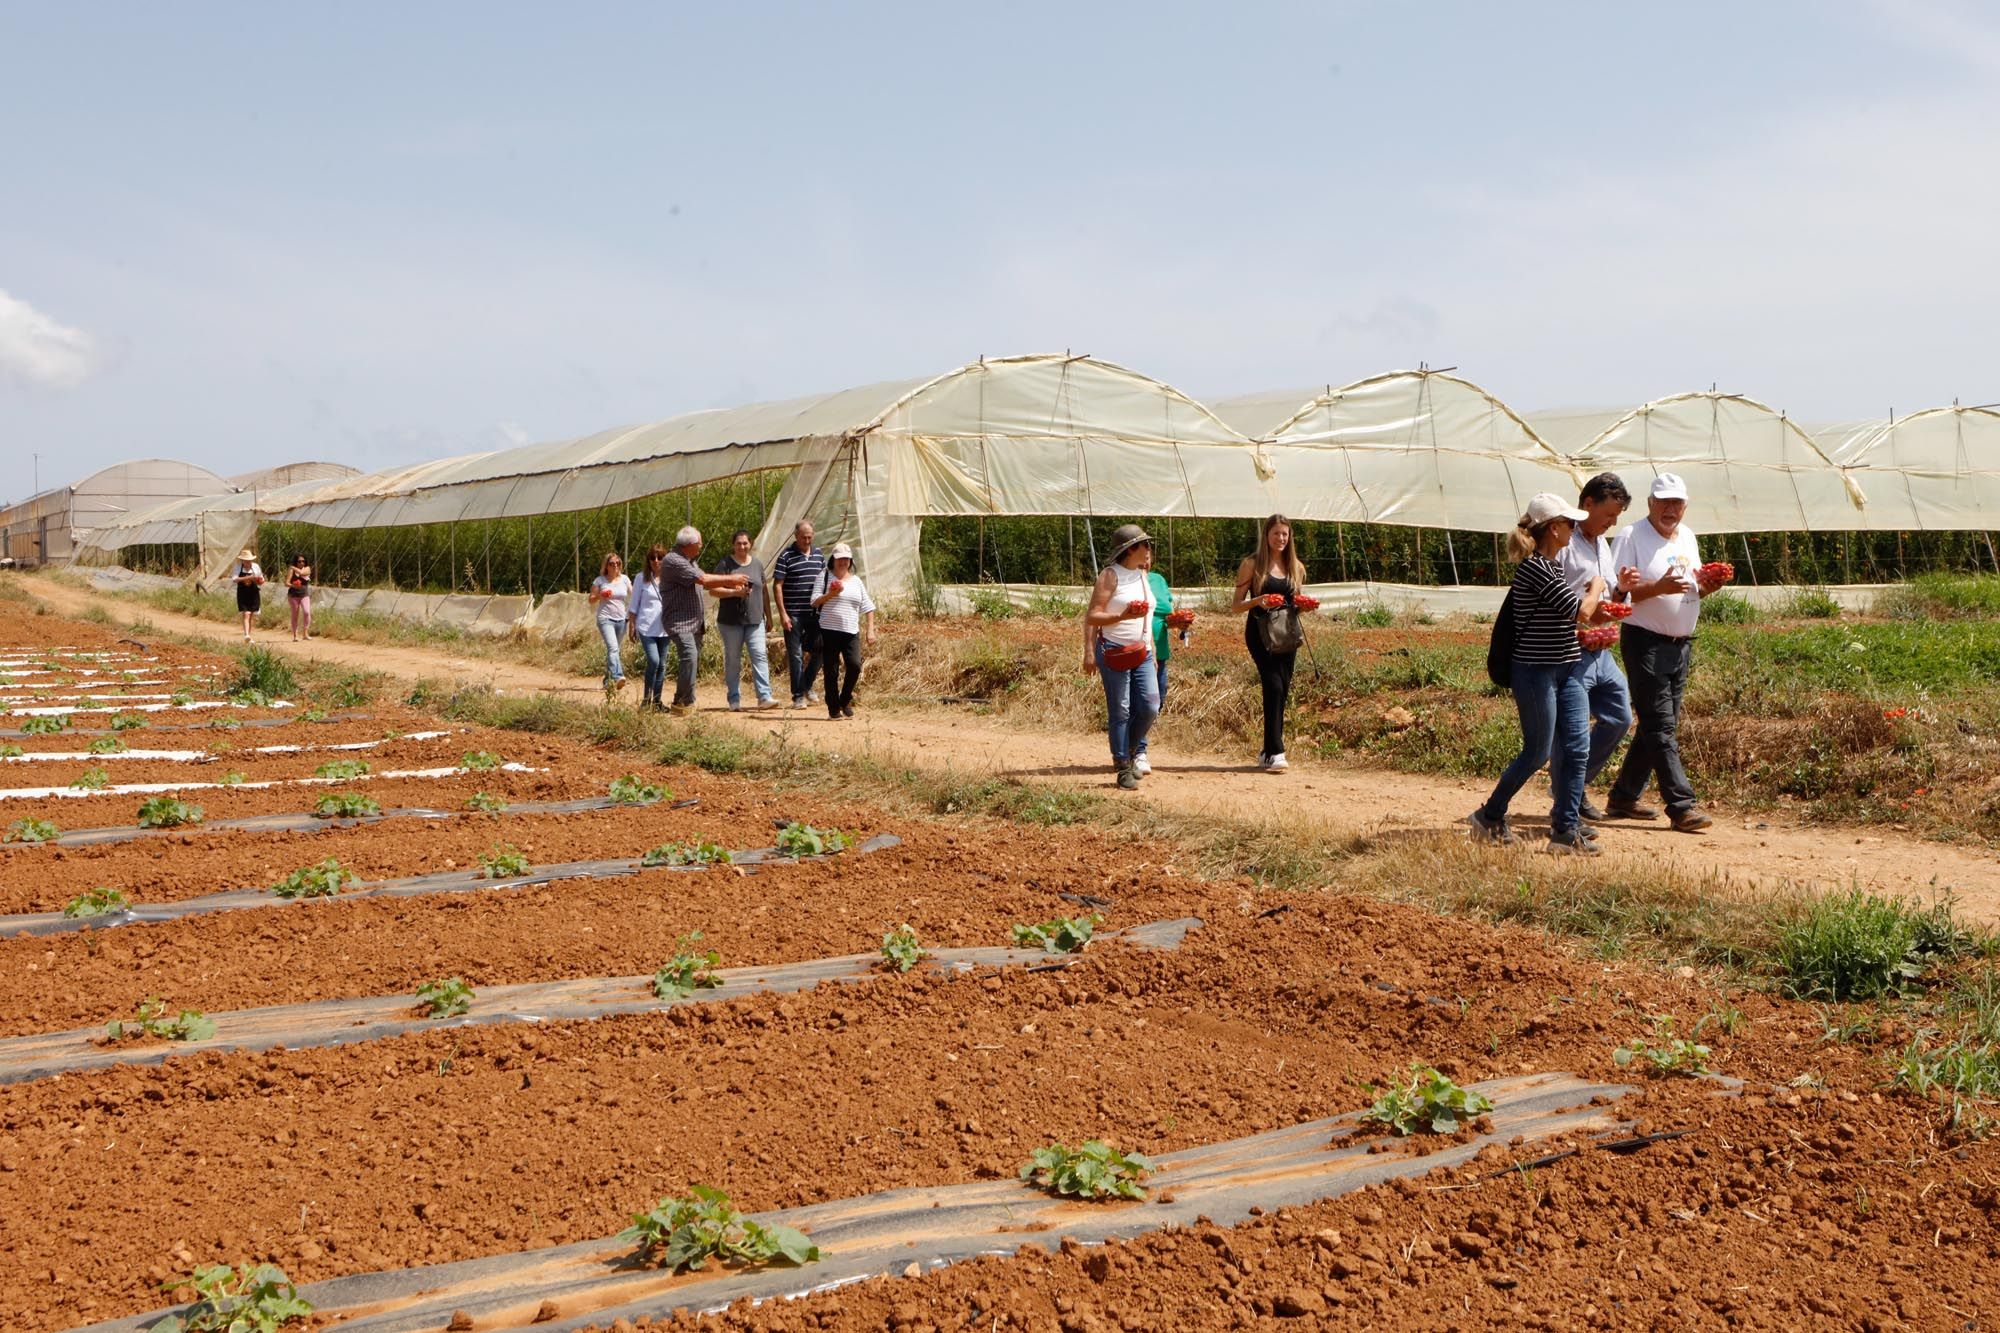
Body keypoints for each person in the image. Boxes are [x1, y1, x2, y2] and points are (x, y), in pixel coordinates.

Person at [1470, 493, 1607, 854]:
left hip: (1565, 668)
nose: (1575, 529)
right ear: (1554, 529)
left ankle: (1564, 829)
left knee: (1578, 747)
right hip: (1535, 674)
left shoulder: (1554, 566)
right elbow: (1580, 611)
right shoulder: (1536, 569)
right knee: (1537, 751)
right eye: (1570, 523)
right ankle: (1490, 815)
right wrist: (1596, 586)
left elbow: (1562, 620)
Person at [1605, 473, 1725, 832]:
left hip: (1680, 645)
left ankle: (1624, 796)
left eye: (1677, 503)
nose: (1670, 509)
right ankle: (1681, 805)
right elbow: (1617, 595)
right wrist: (1656, 587)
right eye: (1664, 502)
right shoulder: (1631, 536)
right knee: (1661, 726)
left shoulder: (1687, 537)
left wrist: (1708, 587)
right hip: (1645, 641)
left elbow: (1690, 591)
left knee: (1657, 726)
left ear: (1685, 506)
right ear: (1650, 504)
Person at [1548, 472, 1635, 818]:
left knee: (1619, 717)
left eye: (1616, 518)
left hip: (1600, 648)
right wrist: (1587, 602)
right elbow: (1552, 596)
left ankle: (1572, 785)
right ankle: (1568, 802)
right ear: (1588, 504)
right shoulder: (1563, 543)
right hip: (1570, 649)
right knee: (1572, 731)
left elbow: (1609, 594)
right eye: (1608, 515)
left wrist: (1621, 590)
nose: (1612, 523)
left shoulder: (1602, 544)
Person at [1083, 524, 1159, 789]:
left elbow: (1148, 614)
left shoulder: (1143, 574)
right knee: (1121, 709)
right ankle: (1122, 765)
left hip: (1142, 651)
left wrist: (1153, 648)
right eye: (1145, 544)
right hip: (1114, 649)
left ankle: (1128, 750)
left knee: (1151, 705)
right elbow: (1093, 615)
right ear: (1131, 549)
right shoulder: (1110, 576)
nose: (1149, 549)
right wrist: (1121, 617)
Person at [1232, 514, 1307, 771]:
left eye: (1285, 534)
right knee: (1273, 685)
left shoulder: (1296, 567)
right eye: (1276, 533)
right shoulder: (1252, 565)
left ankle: (1266, 751)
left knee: (1282, 688)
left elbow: (1297, 601)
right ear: (1266, 535)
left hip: (1286, 632)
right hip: (1260, 632)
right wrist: (1258, 600)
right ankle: (1277, 751)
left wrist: (1305, 606)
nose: (1281, 539)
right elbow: (1235, 605)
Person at [661, 526, 748, 715]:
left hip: (694, 623)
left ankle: (682, 702)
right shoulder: (674, 560)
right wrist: (731, 579)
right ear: (690, 544)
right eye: (699, 543)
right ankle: (685, 701)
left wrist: (731, 583)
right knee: (689, 656)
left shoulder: (689, 561)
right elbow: (704, 580)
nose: (701, 546)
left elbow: (708, 580)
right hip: (679, 622)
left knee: (693, 659)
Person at [713, 529, 778, 711]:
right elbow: (713, 590)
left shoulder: (757, 564)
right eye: (738, 543)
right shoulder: (725, 564)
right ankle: (734, 699)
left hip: (755, 620)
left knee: (759, 656)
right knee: (733, 660)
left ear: (751, 544)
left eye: (745, 543)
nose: (742, 546)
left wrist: (768, 615)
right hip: (730, 622)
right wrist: (735, 592)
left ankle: (764, 696)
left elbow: (763, 590)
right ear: (733, 545)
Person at [810, 542, 876, 719]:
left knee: (854, 666)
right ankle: (833, 708)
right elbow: (814, 601)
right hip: (828, 630)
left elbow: (868, 607)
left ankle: (845, 698)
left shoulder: (856, 581)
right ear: (833, 559)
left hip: (850, 631)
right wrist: (831, 594)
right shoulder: (824, 576)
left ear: (850, 561)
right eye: (840, 559)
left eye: (846, 559)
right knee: (831, 671)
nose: (843, 562)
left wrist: (870, 630)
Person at [772, 520, 826, 709]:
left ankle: (807, 685)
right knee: (795, 655)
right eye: (803, 537)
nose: (807, 540)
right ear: (796, 536)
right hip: (793, 614)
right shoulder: (786, 556)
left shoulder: (819, 555)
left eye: (810, 536)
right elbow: (777, 585)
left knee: (820, 651)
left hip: (814, 614)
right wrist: (783, 614)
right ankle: (798, 696)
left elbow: (825, 580)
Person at [627, 545, 671, 710]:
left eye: (660, 558)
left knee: (662, 665)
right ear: (648, 561)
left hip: (665, 627)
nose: (656, 561)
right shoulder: (641, 578)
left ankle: (657, 702)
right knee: (654, 660)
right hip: (646, 626)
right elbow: (634, 604)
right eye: (653, 558)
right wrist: (632, 625)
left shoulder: (670, 578)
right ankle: (646, 700)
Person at [587, 553, 632, 696]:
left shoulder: (625, 579)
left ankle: (607, 681)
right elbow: (591, 599)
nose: (616, 565)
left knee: (614, 651)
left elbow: (634, 594)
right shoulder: (600, 581)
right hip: (605, 619)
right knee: (613, 648)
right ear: (606, 566)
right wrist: (601, 595)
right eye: (612, 563)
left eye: (618, 563)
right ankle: (618, 676)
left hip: (621, 619)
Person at [232, 548, 264, 640]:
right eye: (246, 560)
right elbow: (234, 579)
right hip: (243, 593)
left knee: (251, 614)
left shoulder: (256, 567)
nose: (248, 562)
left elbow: (261, 579)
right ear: (242, 560)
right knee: (246, 613)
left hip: (253, 592)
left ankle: (248, 635)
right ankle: (246, 634)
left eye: (249, 560)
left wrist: (259, 580)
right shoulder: (238, 567)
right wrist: (249, 577)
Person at [284, 553, 313, 641]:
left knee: (307, 612)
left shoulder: (307, 568)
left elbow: (302, 572)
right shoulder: (291, 570)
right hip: (293, 595)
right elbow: (286, 583)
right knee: (295, 614)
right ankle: (295, 635)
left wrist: (292, 567)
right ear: (296, 562)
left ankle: (305, 632)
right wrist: (293, 585)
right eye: (299, 561)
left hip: (304, 594)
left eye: (303, 561)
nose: (301, 563)